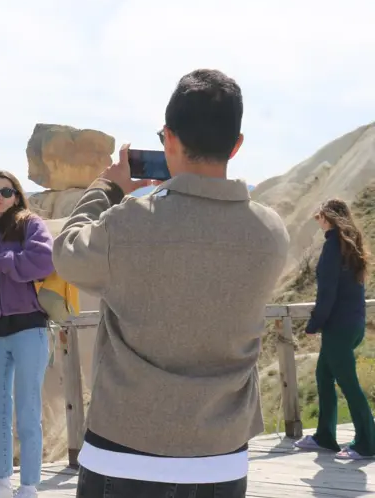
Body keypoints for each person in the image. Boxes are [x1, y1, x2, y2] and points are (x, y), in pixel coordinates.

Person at [53, 69, 290, 498]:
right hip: (221, 455)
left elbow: (67, 252)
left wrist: (108, 186)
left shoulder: (129, 224)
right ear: (236, 145)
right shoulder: (271, 233)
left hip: (122, 451)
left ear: (168, 138)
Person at [0, 170, 55, 498]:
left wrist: (1, 263)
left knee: (28, 409)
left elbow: (44, 260)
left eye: (5, 191)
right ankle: (3, 481)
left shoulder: (30, 224)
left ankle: (29, 484)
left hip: (28, 329)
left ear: (16, 194)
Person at [293, 198, 374, 459]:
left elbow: (327, 293)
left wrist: (314, 324)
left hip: (338, 328)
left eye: (318, 217)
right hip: (353, 324)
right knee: (324, 376)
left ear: (326, 218)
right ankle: (325, 437)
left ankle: (368, 443)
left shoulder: (332, 246)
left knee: (348, 384)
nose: (317, 221)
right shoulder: (351, 244)